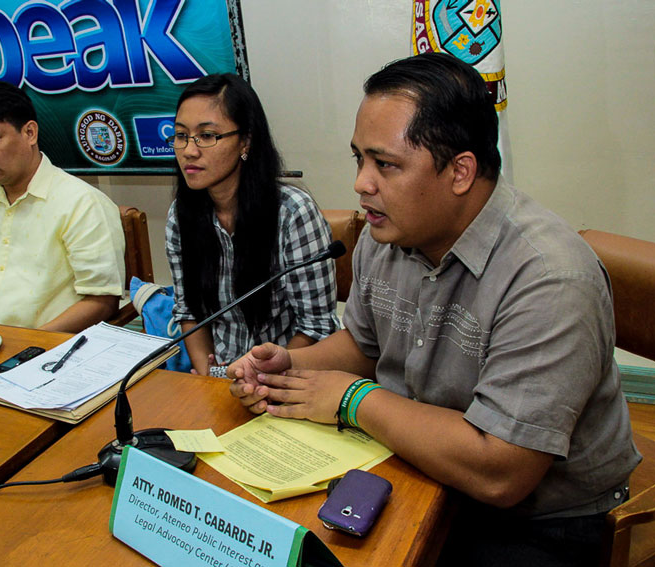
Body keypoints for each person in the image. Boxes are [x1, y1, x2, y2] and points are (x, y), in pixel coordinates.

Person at [228, 53, 640, 566]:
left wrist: (353, 400)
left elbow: (502, 472)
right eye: (359, 158)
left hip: (536, 519)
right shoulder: (387, 231)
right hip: (415, 463)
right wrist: (289, 369)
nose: (362, 183)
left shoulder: (549, 276)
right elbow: (362, 344)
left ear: (461, 171)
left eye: (386, 164)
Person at [165, 73, 339, 376]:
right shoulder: (180, 215)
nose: (189, 150)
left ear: (245, 140)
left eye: (207, 136)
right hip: (222, 377)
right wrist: (209, 378)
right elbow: (189, 313)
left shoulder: (292, 212)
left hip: (292, 373)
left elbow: (316, 327)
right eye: (181, 135)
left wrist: (256, 376)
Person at [0, 81, 125, 332]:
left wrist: (27, 345)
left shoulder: (80, 202)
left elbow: (102, 301)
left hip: (55, 348)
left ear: (30, 133)